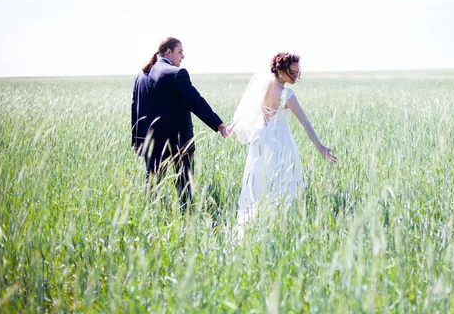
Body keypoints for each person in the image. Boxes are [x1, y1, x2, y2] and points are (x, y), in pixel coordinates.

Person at [231, 52, 336, 228]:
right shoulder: (286, 94)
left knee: (259, 181)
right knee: (282, 180)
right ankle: (277, 222)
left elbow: (249, 112)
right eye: (292, 72)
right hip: (279, 140)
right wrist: (321, 148)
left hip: (259, 138)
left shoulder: (263, 86)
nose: (296, 76)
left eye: (297, 72)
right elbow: (305, 123)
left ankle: (256, 221)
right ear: (280, 71)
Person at [131, 37, 229, 209]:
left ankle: (151, 221)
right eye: (180, 52)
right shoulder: (176, 73)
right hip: (177, 142)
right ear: (168, 52)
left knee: (153, 185)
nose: (182, 57)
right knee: (184, 186)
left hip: (150, 141)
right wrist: (218, 124)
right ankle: (187, 220)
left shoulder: (140, 75)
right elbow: (195, 101)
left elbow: (135, 109)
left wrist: (137, 141)